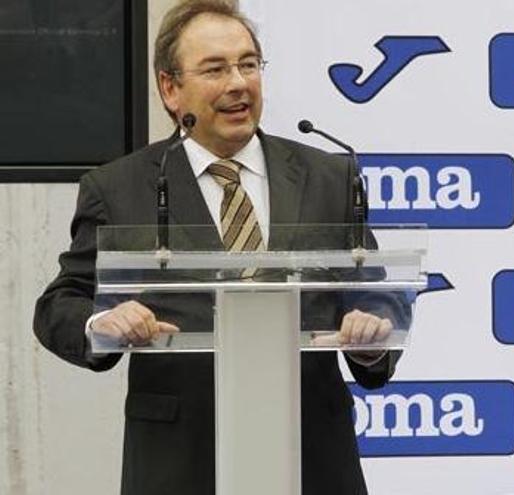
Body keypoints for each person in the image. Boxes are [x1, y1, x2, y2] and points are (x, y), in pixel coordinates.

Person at [32, 1, 406, 493]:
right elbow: (61, 302)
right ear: (170, 88)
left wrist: (369, 332)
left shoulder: (330, 177)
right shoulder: (119, 188)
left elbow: (371, 291)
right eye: (215, 69)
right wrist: (101, 323)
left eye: (248, 64)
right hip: (178, 461)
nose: (237, 83)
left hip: (312, 453)